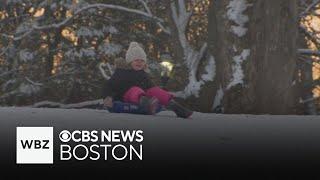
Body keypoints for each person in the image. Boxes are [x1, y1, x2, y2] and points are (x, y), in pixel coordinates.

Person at [102, 42, 193, 118]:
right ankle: (148, 104)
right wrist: (108, 97)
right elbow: (109, 86)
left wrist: (160, 93)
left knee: (155, 90)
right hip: (124, 99)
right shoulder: (121, 72)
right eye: (136, 60)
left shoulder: (143, 74)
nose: (139, 63)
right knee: (135, 90)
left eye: (142, 61)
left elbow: (151, 88)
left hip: (143, 98)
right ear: (130, 61)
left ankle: (175, 107)